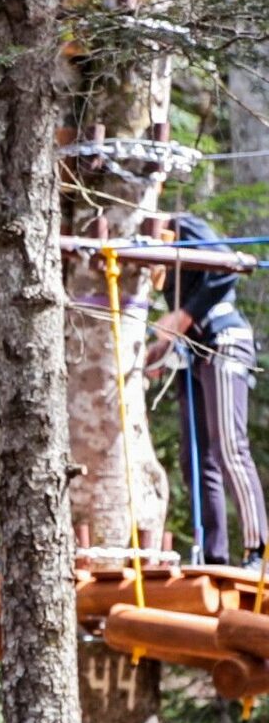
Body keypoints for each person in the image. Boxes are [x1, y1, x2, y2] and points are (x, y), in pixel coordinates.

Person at [146, 213, 267, 567]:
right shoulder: (146, 245)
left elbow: (225, 268)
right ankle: (214, 555)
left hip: (226, 342)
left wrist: (182, 316)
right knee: (196, 459)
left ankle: (259, 548)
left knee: (229, 445)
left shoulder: (180, 224)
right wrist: (159, 352)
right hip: (195, 354)